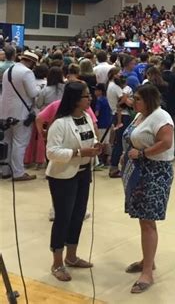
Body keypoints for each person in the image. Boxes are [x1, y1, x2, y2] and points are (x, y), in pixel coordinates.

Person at [45, 82, 102, 282]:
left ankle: (71, 256)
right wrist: (78, 153)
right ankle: (57, 262)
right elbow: (51, 152)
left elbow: (90, 138)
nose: (90, 99)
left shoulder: (86, 117)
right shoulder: (60, 123)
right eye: (87, 96)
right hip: (63, 176)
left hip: (83, 172)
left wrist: (96, 146)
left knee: (78, 215)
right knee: (63, 217)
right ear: (76, 100)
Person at [120, 84, 175, 293]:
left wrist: (143, 154)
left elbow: (166, 143)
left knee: (148, 221)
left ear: (149, 100)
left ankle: (148, 273)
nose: (133, 102)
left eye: (137, 99)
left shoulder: (161, 118)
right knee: (143, 219)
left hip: (155, 173)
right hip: (139, 171)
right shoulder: (140, 115)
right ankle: (147, 260)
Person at [0, 50, 40, 181]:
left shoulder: (8, 71)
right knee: (20, 143)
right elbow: (33, 93)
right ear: (31, 62)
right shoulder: (27, 72)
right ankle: (18, 173)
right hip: (21, 113)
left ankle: (5, 170)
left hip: (5, 112)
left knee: (7, 142)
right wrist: (40, 88)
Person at [107, 67, 133, 178]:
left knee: (118, 141)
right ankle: (114, 167)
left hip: (117, 114)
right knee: (121, 143)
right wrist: (126, 99)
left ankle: (114, 165)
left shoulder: (110, 86)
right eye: (119, 73)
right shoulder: (116, 88)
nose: (121, 74)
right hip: (122, 116)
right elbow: (127, 101)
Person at [94, 83, 112, 166]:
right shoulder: (108, 99)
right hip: (108, 123)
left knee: (100, 142)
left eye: (96, 90)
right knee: (106, 142)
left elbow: (97, 113)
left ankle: (100, 160)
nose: (94, 92)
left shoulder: (99, 100)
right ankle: (108, 159)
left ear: (100, 91)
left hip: (101, 124)